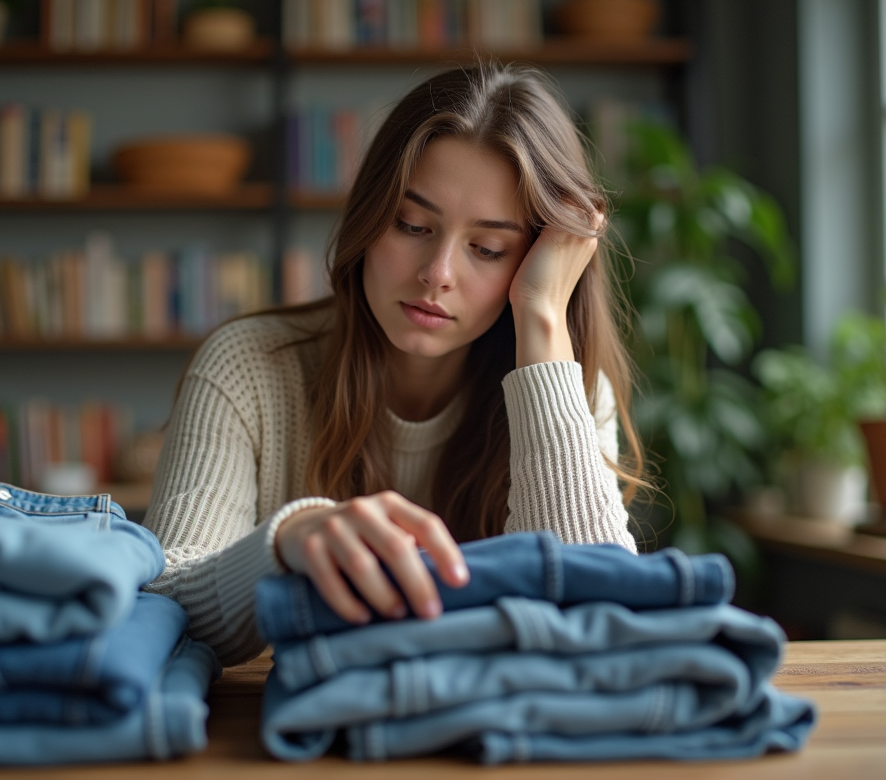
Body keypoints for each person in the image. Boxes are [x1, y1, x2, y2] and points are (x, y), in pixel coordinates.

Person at [143, 63, 646, 668]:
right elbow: (164, 605)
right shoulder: (249, 366)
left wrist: (540, 318)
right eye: (412, 225)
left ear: (539, 257)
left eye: (488, 249)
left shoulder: (565, 383)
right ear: (367, 216)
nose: (437, 273)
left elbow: (600, 619)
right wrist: (286, 542)